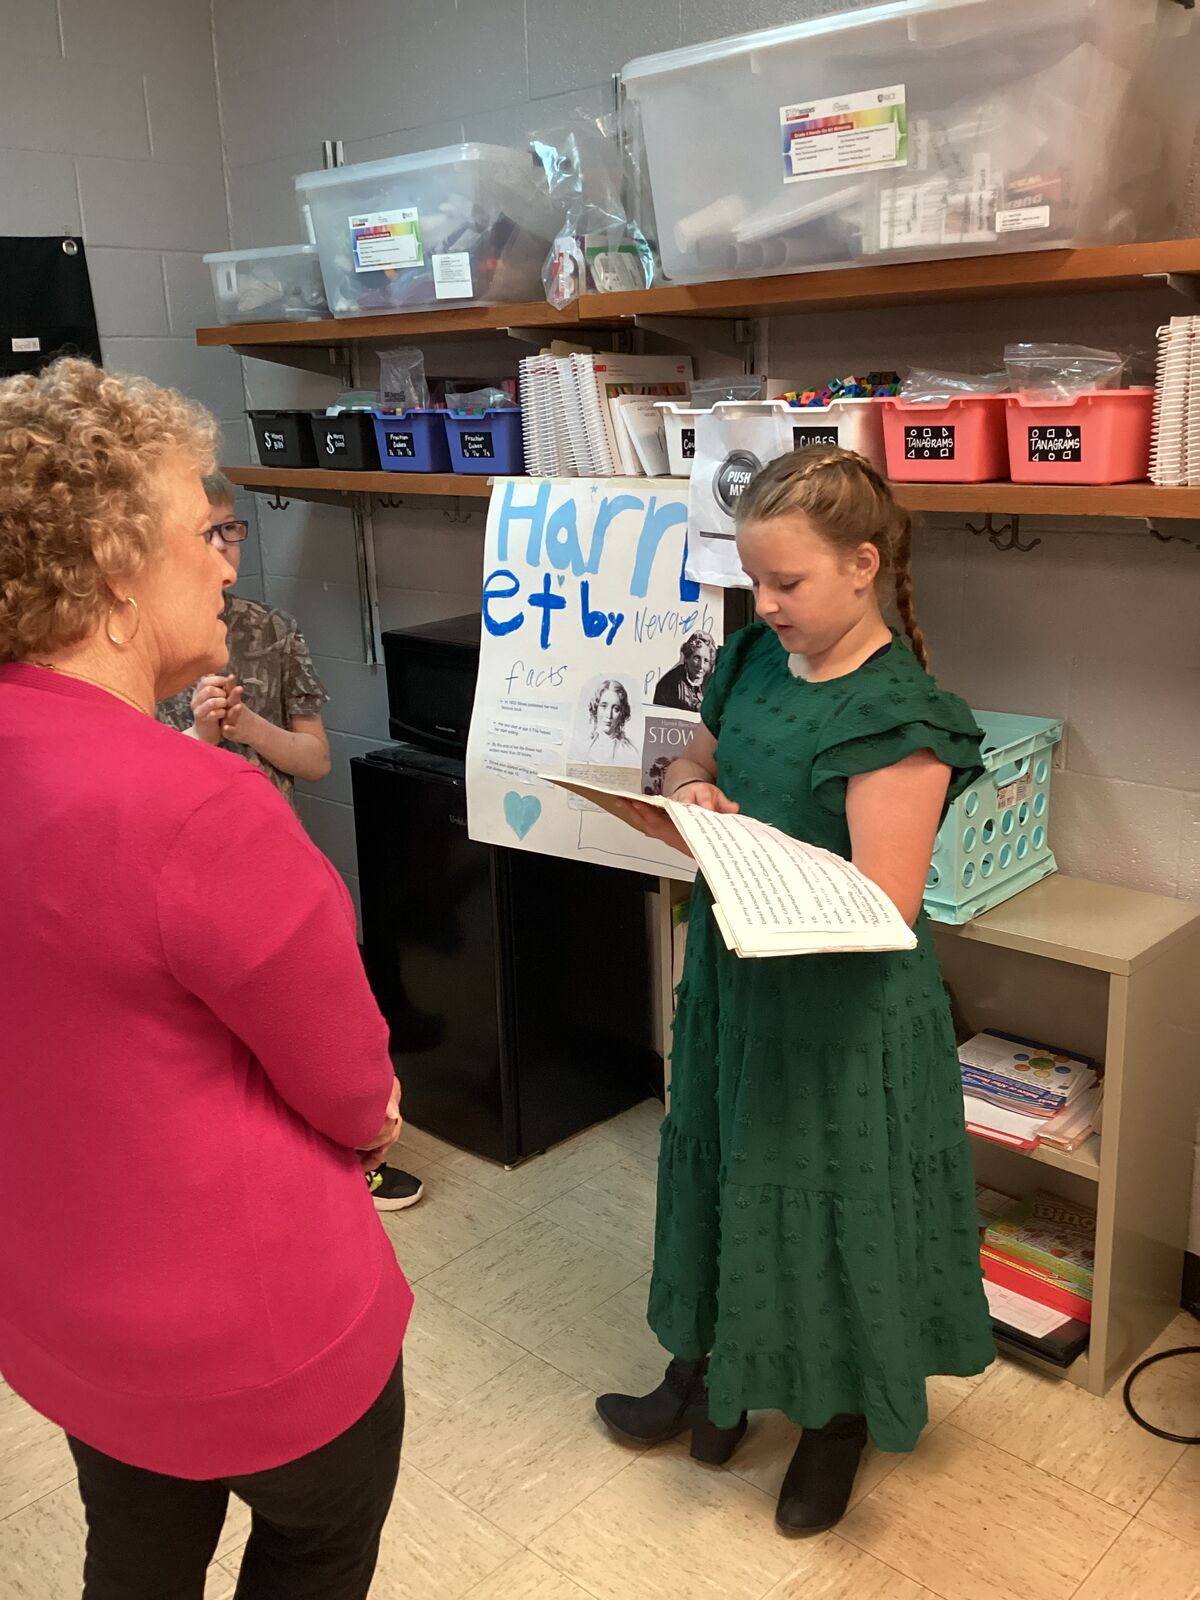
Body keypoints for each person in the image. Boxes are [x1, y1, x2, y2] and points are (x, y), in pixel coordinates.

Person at [0, 357, 413, 1600]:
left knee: (131, 1556)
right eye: (207, 528)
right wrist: (382, 1122)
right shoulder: (198, 808)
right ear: (119, 558)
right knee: (312, 1553)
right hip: (256, 1336)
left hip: (68, 1310)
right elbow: (354, 1091)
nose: (230, 563)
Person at [595, 447, 994, 1537]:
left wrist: (749, 847)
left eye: (788, 584)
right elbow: (693, 760)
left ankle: (837, 1417)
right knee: (724, 1168)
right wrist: (692, 792)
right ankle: (706, 1373)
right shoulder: (755, 663)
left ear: (863, 565)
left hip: (842, 1010)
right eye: (754, 581)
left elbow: (884, 905)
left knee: (827, 1200)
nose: (764, 605)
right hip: (739, 976)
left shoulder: (901, 714)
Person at [157, 474, 423, 1214]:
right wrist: (199, 737)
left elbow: (312, 760)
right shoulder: (140, 646)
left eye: (232, 532)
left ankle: (350, 1157)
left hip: (270, 864)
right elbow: (128, 785)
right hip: (184, 883)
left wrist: (246, 729)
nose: (227, 559)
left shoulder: (266, 630)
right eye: (208, 536)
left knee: (313, 1025)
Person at [652, 630, 717, 713]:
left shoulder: (712, 685)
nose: (701, 666)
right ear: (687, 658)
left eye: (706, 660)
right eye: (697, 658)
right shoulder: (669, 684)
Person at [582, 677, 637, 762]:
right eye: (604, 706)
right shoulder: (584, 746)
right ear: (596, 708)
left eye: (616, 709)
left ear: (622, 713)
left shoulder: (629, 751)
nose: (609, 715)